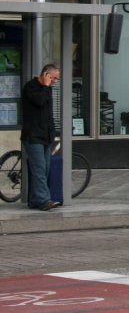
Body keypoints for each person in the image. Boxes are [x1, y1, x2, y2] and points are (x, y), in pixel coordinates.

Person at [21, 64, 61, 211]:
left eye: (57, 78)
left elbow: (48, 114)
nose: (55, 81)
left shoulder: (47, 89)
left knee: (45, 169)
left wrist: (53, 133)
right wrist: (45, 86)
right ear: (45, 74)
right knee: (39, 169)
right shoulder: (31, 87)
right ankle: (44, 200)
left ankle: (34, 200)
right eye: (53, 78)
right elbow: (38, 101)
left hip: (46, 136)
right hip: (33, 136)